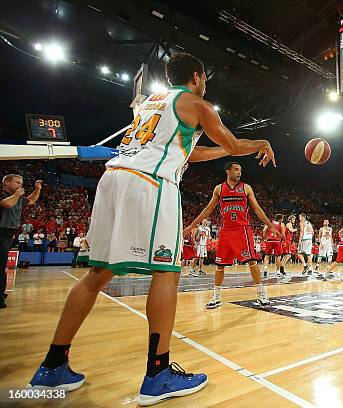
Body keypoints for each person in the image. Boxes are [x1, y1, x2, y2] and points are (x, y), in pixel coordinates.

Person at [28, 52, 277, 406]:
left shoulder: (150, 103)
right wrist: (260, 144)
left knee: (97, 273)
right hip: (151, 183)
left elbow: (189, 153)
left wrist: (223, 153)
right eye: (205, 79)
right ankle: (158, 375)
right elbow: (234, 144)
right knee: (166, 274)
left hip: (113, 178)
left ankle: (52, 365)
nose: (205, 85)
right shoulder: (196, 103)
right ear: (197, 76)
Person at [184, 162, 281, 309]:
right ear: (228, 171)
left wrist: (271, 226)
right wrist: (193, 225)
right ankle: (216, 297)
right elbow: (208, 209)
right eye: (236, 170)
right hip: (226, 231)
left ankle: (261, 294)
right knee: (219, 265)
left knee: (252, 261)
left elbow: (258, 210)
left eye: (240, 170)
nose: (239, 173)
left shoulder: (246, 188)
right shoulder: (219, 189)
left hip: (242, 230)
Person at [0, 175, 42, 308]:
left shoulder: (17, 197)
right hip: (1, 232)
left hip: (8, 234)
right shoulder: (3, 194)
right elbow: (7, 204)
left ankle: (1, 294)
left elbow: (31, 200)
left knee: (2, 267)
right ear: (6, 183)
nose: (20, 185)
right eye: (17, 182)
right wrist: (17, 194)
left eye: (21, 183)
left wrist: (37, 189)